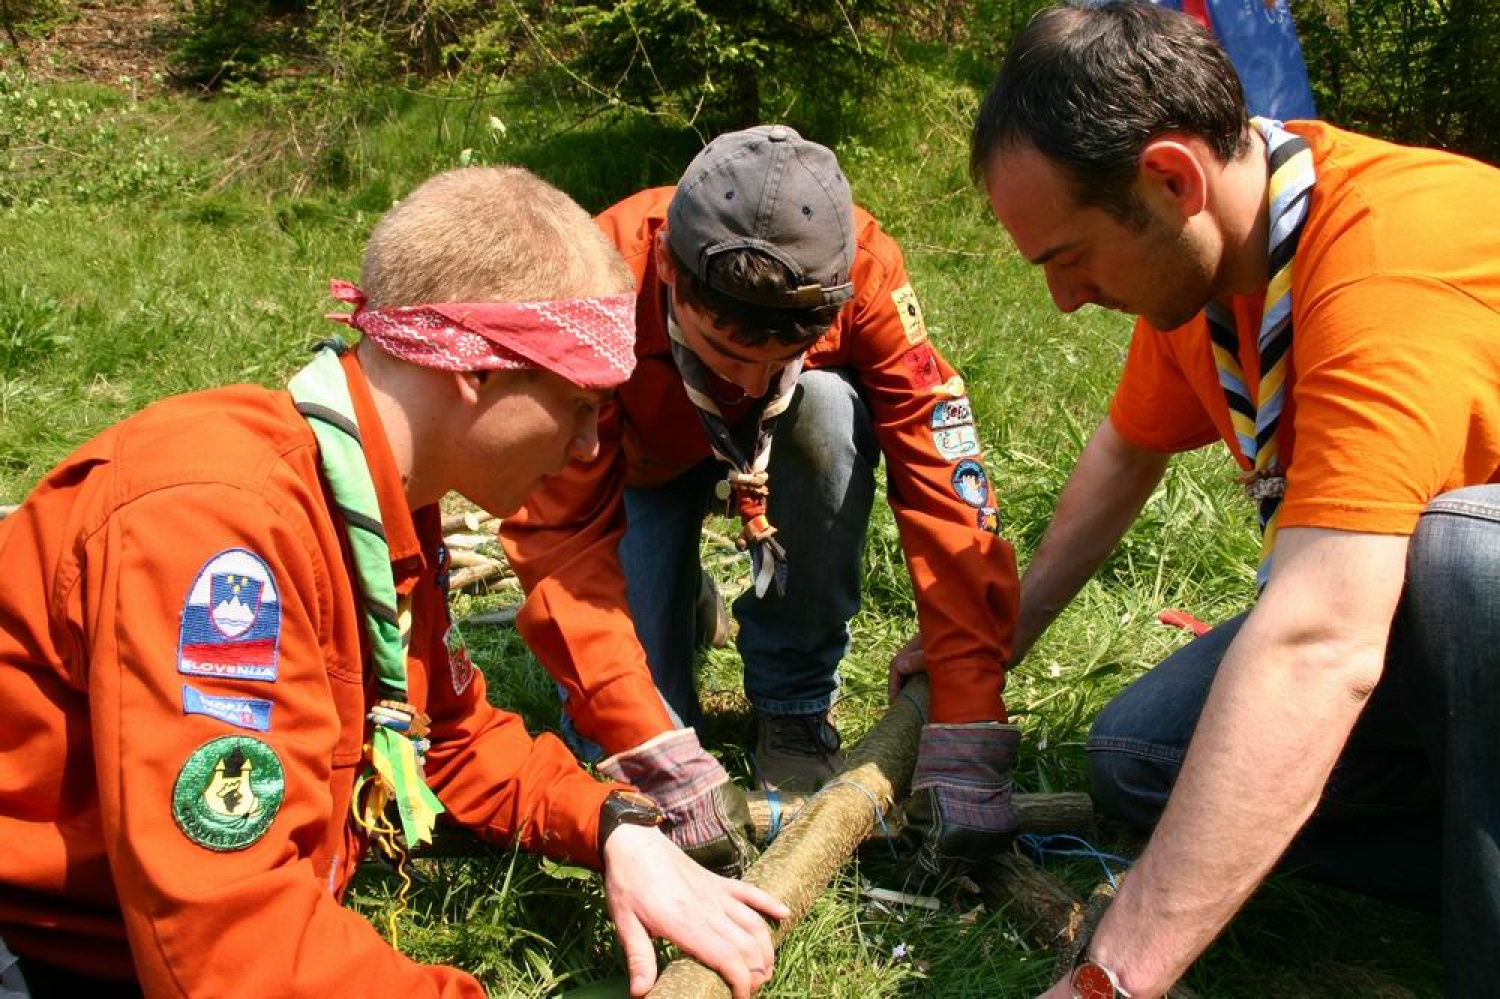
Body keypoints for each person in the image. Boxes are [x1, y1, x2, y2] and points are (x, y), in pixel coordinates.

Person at [0, 165, 789, 999]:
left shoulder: (382, 502)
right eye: (579, 404)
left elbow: (443, 732)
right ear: (477, 371)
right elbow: (232, 946)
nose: (596, 447)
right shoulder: (214, 530)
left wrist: (613, 824)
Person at [959, 2, 1500, 996]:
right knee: (1139, 754)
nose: (1065, 300)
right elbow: (1126, 453)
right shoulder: (1211, 264)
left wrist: (1109, 977)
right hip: (1419, 636)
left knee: (1462, 560)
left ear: (1169, 179)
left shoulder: (1382, 270)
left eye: (1066, 257)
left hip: (1460, 599)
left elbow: (1320, 643)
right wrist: (996, 641)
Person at [500, 125, 1023, 876]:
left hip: (784, 462)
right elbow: (557, 528)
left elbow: (945, 484)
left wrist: (969, 709)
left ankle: (794, 708)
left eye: (776, 359)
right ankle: (677, 596)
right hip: (631, 472)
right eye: (729, 356)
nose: (748, 387)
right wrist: (644, 739)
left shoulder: (864, 271)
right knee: (631, 742)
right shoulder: (600, 276)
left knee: (827, 406)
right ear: (674, 279)